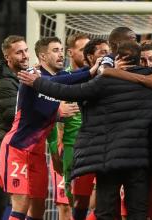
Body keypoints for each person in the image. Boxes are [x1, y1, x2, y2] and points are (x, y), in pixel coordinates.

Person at [18, 40, 152, 220]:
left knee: (105, 211)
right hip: (139, 160)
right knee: (137, 212)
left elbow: (66, 92)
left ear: (118, 58)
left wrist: (37, 82)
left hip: (107, 159)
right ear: (139, 60)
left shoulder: (103, 82)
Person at [0, 36, 93, 220]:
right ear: (42, 56)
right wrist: (57, 112)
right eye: (55, 50)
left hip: (37, 153)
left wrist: (94, 69)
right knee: (21, 205)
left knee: (38, 209)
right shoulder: (33, 74)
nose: (60, 55)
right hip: (17, 148)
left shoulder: (56, 79)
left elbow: (71, 78)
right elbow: (35, 109)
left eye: (61, 50)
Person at [0, 35, 28, 220]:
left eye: (26, 50)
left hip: (16, 151)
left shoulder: (20, 77)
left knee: (21, 204)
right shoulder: (3, 84)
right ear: (7, 57)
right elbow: (16, 116)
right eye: (19, 52)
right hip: (1, 154)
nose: (25, 55)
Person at [64, 33, 93, 220]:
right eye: (82, 49)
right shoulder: (62, 78)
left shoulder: (96, 76)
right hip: (71, 146)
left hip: (96, 144)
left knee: (102, 199)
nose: (86, 54)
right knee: (74, 202)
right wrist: (55, 145)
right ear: (70, 52)